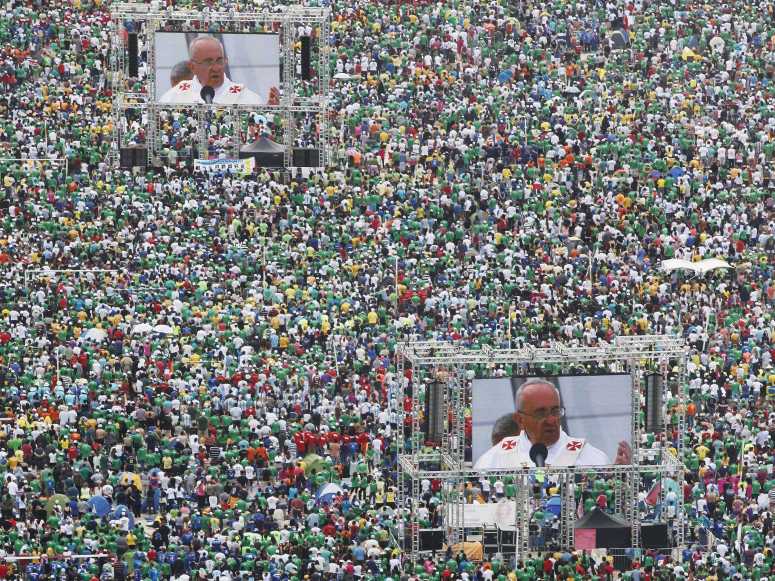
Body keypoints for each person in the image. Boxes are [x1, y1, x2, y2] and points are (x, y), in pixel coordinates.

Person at [475, 379, 632, 469]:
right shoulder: (494, 460)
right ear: (520, 420)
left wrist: (618, 480)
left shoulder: (591, 458)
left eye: (555, 411)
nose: (551, 420)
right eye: (540, 413)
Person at [159, 36, 279, 105]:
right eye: (208, 62)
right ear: (192, 67)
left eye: (219, 61)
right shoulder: (173, 98)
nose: (216, 68)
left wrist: (270, 115)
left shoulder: (247, 99)